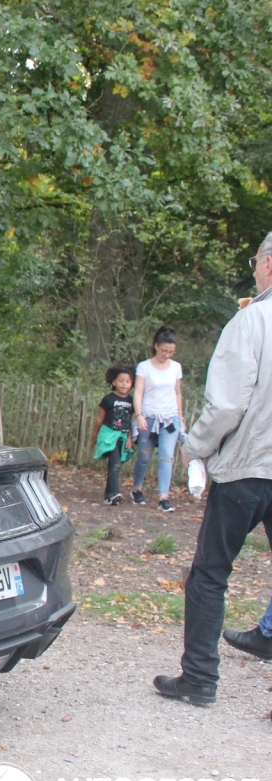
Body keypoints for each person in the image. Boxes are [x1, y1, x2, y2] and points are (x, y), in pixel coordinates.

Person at [153, 233, 272, 706]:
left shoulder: (252, 321)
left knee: (209, 574)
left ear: (268, 264)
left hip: (247, 467)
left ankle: (200, 678)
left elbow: (226, 405)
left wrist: (194, 448)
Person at [131, 325, 185, 512]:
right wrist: (139, 415)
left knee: (166, 457)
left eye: (171, 352)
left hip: (170, 419)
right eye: (164, 351)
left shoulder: (176, 368)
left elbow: (177, 393)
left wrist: (181, 417)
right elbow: (138, 392)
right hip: (149, 416)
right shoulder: (144, 367)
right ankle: (137, 487)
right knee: (145, 456)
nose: (167, 354)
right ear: (156, 346)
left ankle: (164, 496)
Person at [91, 364, 135, 505]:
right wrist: (95, 434)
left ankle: (109, 495)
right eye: (121, 381)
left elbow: (128, 421)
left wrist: (129, 438)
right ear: (114, 382)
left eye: (127, 381)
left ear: (132, 383)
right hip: (108, 434)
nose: (124, 384)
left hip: (122, 435)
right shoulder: (108, 399)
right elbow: (100, 419)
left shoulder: (131, 401)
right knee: (115, 464)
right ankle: (114, 493)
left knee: (115, 464)